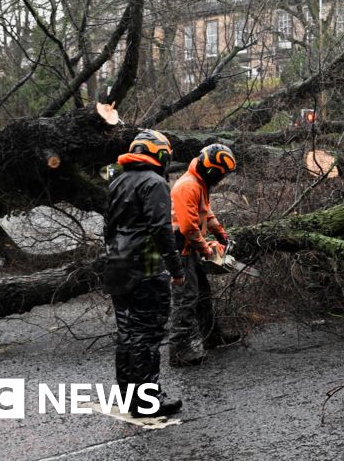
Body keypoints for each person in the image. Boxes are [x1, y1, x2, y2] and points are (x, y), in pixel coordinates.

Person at [103, 129, 185, 417]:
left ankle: (128, 396)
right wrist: (176, 268)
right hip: (146, 268)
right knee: (147, 334)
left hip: (116, 264)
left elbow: (108, 226)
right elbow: (161, 230)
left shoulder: (117, 181)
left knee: (127, 333)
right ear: (160, 154)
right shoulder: (154, 183)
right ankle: (149, 399)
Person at [168, 143, 241, 366]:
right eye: (219, 174)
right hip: (181, 247)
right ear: (211, 169)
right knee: (185, 297)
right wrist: (207, 250)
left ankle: (212, 335)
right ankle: (179, 351)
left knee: (203, 294)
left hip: (190, 245)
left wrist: (221, 234)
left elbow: (206, 214)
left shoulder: (200, 184)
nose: (220, 179)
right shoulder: (188, 186)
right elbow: (188, 227)